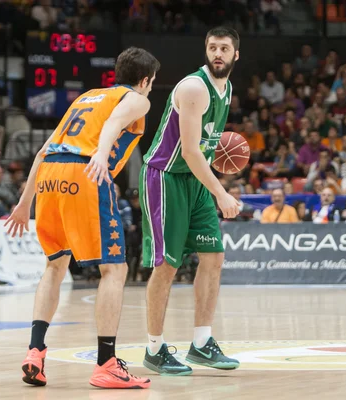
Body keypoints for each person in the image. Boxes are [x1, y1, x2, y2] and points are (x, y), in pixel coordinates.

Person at [4, 47, 159, 389]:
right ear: (145, 80)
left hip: (48, 176)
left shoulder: (88, 97)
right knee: (114, 270)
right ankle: (106, 362)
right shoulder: (137, 99)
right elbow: (117, 122)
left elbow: (46, 148)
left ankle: (35, 352)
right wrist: (102, 155)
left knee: (55, 265)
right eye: (150, 83)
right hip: (85, 172)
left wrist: (23, 203)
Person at [140, 27, 241, 376]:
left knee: (214, 257)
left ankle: (201, 343)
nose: (217, 53)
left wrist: (214, 184)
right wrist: (221, 192)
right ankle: (154, 348)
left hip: (195, 179)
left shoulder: (226, 90)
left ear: (235, 55)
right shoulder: (194, 88)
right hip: (166, 177)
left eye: (224, 48)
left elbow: (206, 149)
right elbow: (188, 150)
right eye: (212, 47)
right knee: (167, 265)